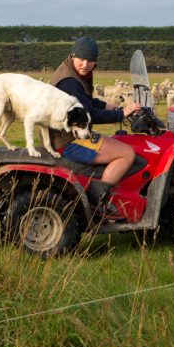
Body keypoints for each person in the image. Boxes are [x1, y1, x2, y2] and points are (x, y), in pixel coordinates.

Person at [49, 37, 141, 216]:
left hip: (65, 134)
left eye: (90, 61)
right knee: (127, 153)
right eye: (81, 59)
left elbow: (84, 101)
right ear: (73, 55)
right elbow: (88, 115)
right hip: (68, 141)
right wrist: (121, 114)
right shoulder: (69, 81)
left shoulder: (72, 72)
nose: (85, 64)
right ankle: (98, 201)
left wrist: (105, 105)